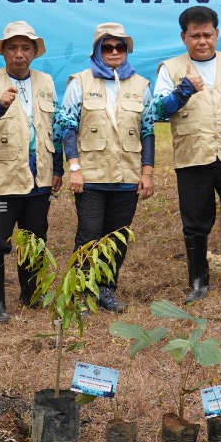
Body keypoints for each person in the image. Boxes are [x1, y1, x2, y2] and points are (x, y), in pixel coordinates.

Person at [150, 6, 221, 303]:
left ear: (217, 34)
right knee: (195, 222)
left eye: (207, 35)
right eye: (194, 36)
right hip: (192, 156)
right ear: (183, 37)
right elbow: (157, 110)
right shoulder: (170, 68)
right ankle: (198, 282)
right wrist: (184, 89)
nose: (202, 41)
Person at [0, 21, 61, 322]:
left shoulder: (45, 81)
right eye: (13, 48)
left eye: (25, 48)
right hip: (2, 176)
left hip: (39, 176)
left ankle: (31, 295)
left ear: (34, 52)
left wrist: (57, 168)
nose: (19, 54)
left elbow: (54, 128)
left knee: (35, 236)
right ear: (4, 52)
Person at [56, 23, 155, 313]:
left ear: (127, 50)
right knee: (89, 234)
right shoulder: (80, 82)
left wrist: (147, 172)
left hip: (127, 175)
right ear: (98, 50)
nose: (114, 52)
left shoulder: (141, 85)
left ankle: (106, 290)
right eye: (108, 47)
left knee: (118, 236)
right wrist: (74, 167)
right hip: (92, 175)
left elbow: (147, 131)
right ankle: (81, 292)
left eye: (120, 47)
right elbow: (67, 126)